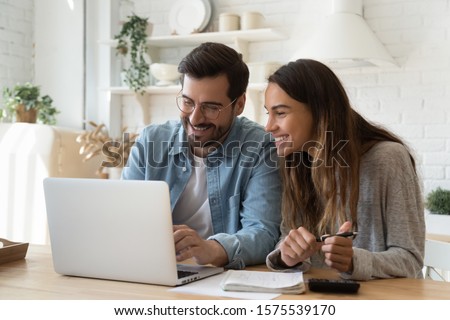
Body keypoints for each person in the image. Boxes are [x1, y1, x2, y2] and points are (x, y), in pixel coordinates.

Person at [122, 42, 281, 270]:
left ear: (239, 105)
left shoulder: (260, 148)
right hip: (152, 269)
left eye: (211, 107)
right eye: (188, 102)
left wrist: (211, 250)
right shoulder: (151, 140)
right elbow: (123, 217)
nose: (195, 119)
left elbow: (263, 233)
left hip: (220, 277)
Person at [264, 59, 425, 280]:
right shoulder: (297, 164)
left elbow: (410, 259)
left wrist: (353, 261)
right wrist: (288, 256)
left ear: (320, 111)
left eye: (280, 113)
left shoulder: (388, 159)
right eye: (268, 113)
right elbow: (287, 239)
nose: (269, 126)